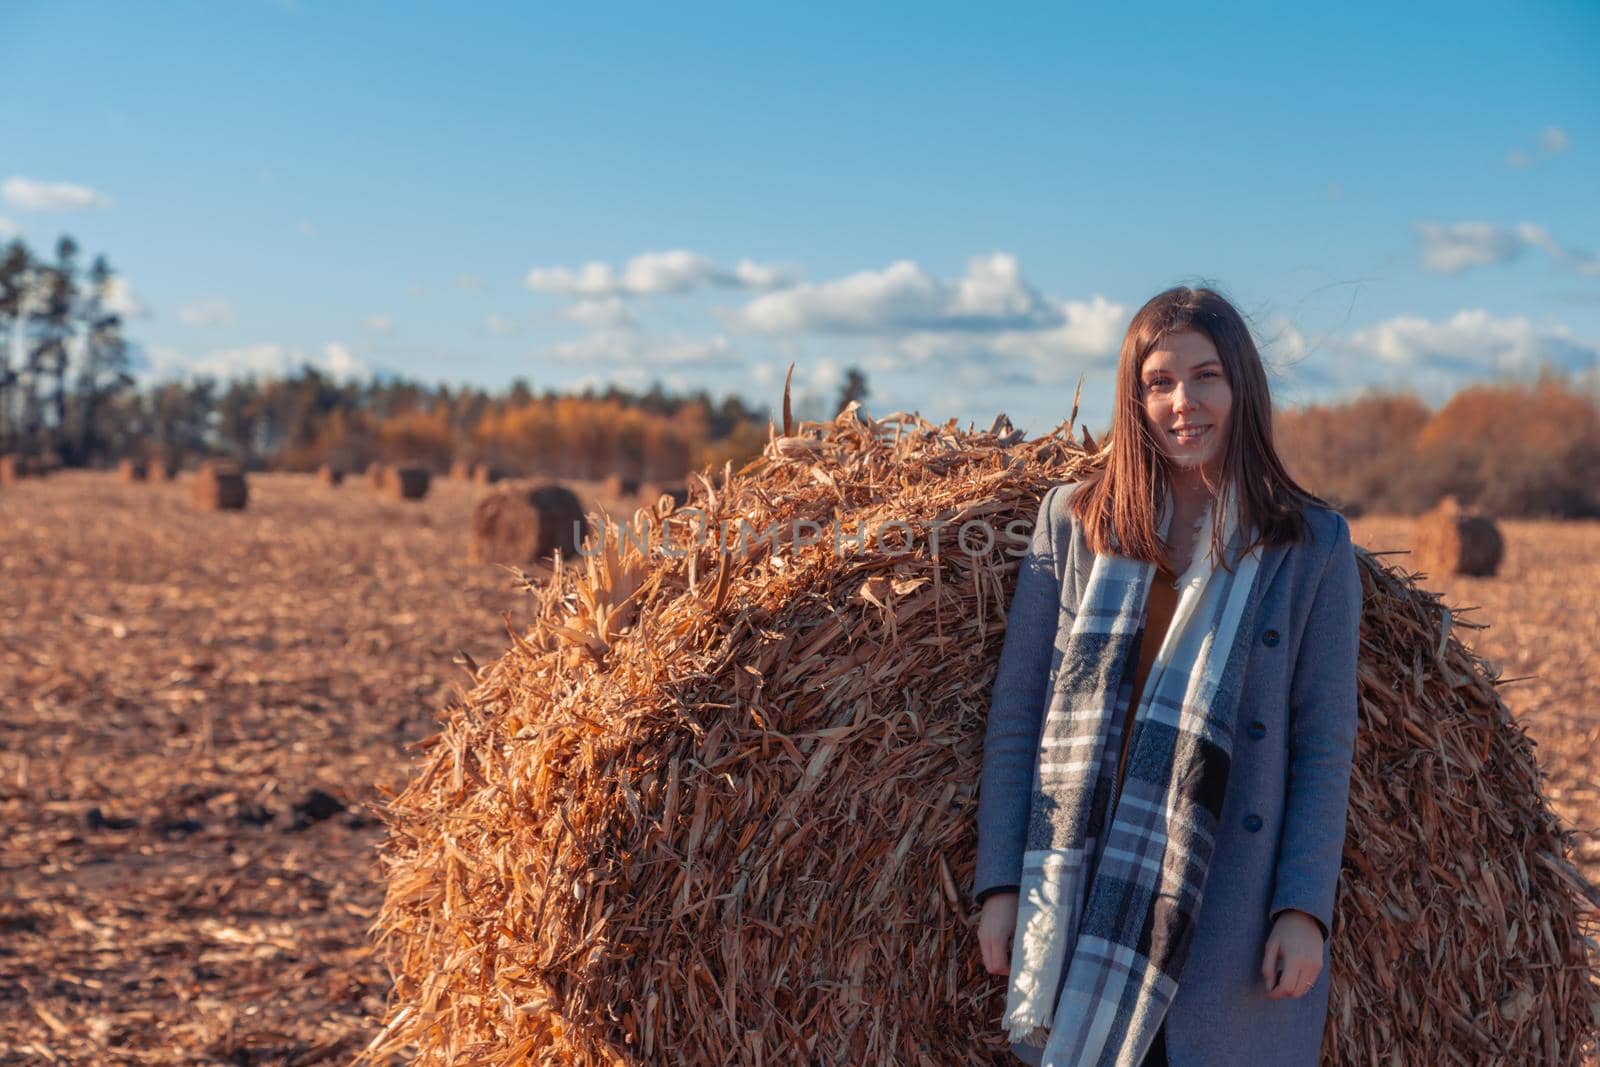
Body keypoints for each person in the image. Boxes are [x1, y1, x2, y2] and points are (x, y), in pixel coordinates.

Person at [971, 286, 1363, 1066]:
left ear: (1242, 385)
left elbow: (1323, 740)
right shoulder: (1074, 521)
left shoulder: (1310, 541)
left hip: (1230, 902)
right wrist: (1003, 886)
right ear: (1134, 394)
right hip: (1086, 891)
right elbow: (1021, 716)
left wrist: (1302, 908)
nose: (1184, 401)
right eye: (1159, 381)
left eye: (1206, 375)